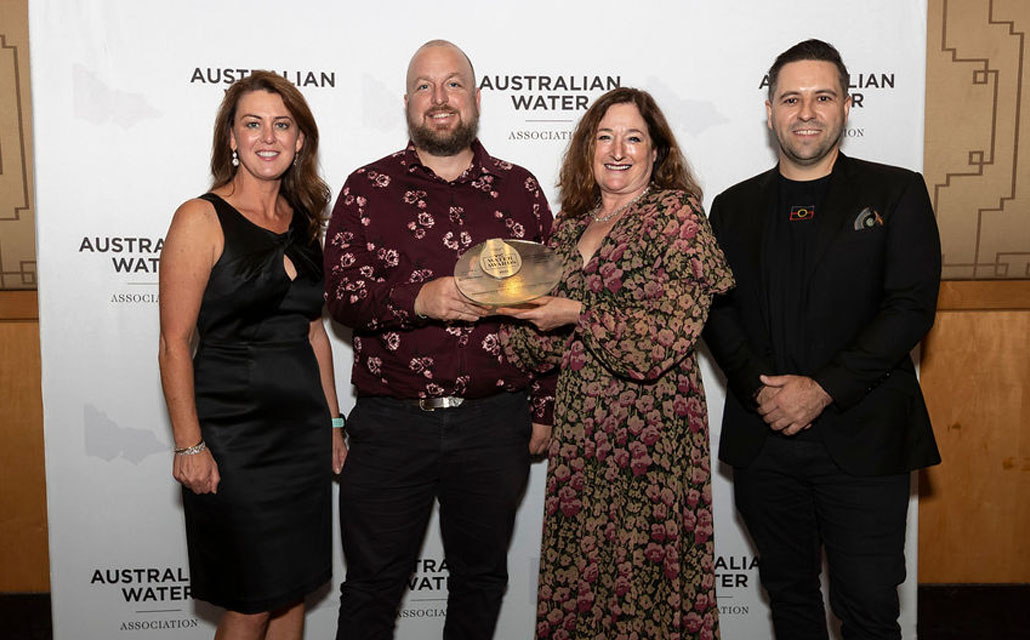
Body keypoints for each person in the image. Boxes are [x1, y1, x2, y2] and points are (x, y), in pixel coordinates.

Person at [702, 39, 942, 640]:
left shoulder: (897, 192)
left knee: (867, 609)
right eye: (791, 98)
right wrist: (765, 393)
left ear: (846, 106)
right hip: (766, 441)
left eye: (822, 97)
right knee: (791, 602)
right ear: (769, 111)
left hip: (865, 439)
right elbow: (715, 312)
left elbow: (909, 308)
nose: (805, 111)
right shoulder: (732, 207)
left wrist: (823, 390)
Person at [323, 40, 555, 640]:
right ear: (407, 103)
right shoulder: (366, 188)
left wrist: (545, 408)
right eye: (425, 87)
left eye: (453, 84)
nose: (439, 99)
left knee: (480, 580)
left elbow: (550, 309)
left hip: (494, 422)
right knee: (372, 585)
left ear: (477, 99)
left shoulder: (520, 190)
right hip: (391, 421)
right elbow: (342, 296)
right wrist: (416, 299)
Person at [499, 87, 733, 640]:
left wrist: (573, 311)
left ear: (658, 153)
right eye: (604, 136)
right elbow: (542, 351)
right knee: (580, 584)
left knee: (643, 589)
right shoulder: (566, 228)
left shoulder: (676, 217)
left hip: (651, 441)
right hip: (581, 439)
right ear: (587, 149)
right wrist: (513, 311)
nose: (618, 150)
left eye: (634, 137)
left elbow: (662, 339)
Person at [158, 70, 346, 639]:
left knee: (292, 594)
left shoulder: (307, 221)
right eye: (253, 124)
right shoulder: (200, 218)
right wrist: (190, 444)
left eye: (282, 124)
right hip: (233, 440)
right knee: (251, 600)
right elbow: (173, 344)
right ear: (231, 139)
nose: (269, 136)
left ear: (300, 141)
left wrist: (334, 421)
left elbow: (313, 333)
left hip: (302, 437)